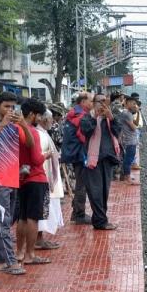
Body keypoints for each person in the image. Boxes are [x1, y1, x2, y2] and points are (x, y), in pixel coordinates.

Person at [0, 92, 34, 275]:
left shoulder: (15, 125)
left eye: (12, 107)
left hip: (13, 179)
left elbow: (30, 144)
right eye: (6, 107)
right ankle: (11, 262)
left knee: (4, 221)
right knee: (3, 222)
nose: (10, 110)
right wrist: (0, 126)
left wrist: (24, 125)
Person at [14, 98, 50, 266]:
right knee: (33, 218)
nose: (40, 119)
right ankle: (30, 255)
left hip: (22, 178)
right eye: (39, 115)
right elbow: (36, 159)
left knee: (22, 217)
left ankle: (19, 252)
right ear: (32, 115)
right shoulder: (32, 132)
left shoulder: (15, 130)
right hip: (36, 178)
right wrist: (46, 155)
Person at [81, 94, 122, 230]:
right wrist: (95, 117)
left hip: (108, 159)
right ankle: (100, 221)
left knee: (104, 191)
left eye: (105, 101)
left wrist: (111, 118)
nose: (103, 104)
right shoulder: (88, 117)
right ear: (93, 103)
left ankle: (100, 219)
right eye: (100, 101)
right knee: (96, 192)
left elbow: (117, 132)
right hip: (94, 161)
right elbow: (86, 130)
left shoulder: (110, 118)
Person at [36, 110, 64, 250]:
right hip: (44, 178)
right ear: (43, 120)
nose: (52, 121)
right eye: (50, 119)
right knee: (43, 209)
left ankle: (41, 239)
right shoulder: (39, 134)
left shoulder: (44, 133)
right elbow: (40, 157)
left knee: (47, 209)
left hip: (48, 177)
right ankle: (38, 240)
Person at [62, 92, 92, 224]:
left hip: (72, 153)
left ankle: (76, 212)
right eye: (90, 101)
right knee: (82, 184)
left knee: (80, 183)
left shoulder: (73, 112)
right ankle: (79, 214)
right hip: (80, 154)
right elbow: (82, 136)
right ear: (83, 101)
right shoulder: (82, 116)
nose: (92, 104)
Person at [117, 97, 139, 182]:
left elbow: (136, 123)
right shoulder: (126, 113)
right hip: (129, 140)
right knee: (128, 159)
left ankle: (124, 177)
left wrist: (138, 112)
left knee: (127, 158)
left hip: (130, 139)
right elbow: (134, 127)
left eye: (135, 104)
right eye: (133, 103)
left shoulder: (128, 113)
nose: (135, 105)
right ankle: (127, 177)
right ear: (127, 103)